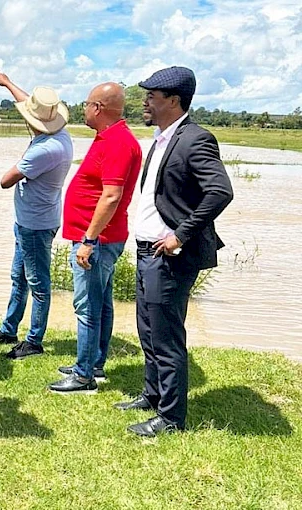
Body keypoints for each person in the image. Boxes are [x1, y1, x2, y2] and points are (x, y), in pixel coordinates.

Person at [116, 67, 233, 436]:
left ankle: (170, 418)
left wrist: (179, 236)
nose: (145, 101)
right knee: (147, 329)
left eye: (152, 96)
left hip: (169, 255)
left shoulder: (196, 139)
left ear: (174, 100)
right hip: (146, 250)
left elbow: (220, 191)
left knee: (166, 336)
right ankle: (153, 395)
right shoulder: (163, 138)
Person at [48, 83, 142, 394]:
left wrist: (88, 240)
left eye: (87, 104)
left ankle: (84, 375)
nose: (84, 108)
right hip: (102, 238)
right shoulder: (110, 137)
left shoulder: (117, 142)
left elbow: (112, 195)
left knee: (87, 306)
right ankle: (94, 361)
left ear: (98, 108)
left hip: (98, 240)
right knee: (101, 303)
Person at [0, 68, 73, 361]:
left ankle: (34, 341)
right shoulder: (60, 135)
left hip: (35, 225)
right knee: (18, 278)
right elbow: (28, 104)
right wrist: (7, 83)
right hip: (30, 220)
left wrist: (20, 164)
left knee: (38, 283)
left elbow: (5, 180)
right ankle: (9, 329)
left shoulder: (44, 151)